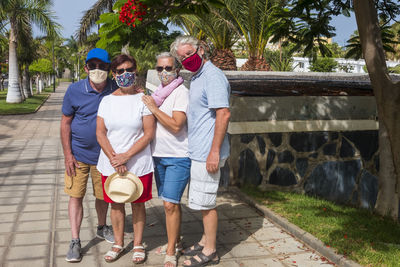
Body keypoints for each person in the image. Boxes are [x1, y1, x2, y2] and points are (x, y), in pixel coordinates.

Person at [170, 36, 231, 267]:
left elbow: (223, 114)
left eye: (189, 53)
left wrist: (214, 152)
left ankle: (211, 251)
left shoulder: (213, 76)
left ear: (201, 49)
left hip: (208, 152)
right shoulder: (197, 77)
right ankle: (205, 240)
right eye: (182, 57)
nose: (186, 59)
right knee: (201, 199)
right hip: (198, 150)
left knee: (206, 203)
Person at [96, 54, 155, 264]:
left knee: (138, 204)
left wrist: (126, 156)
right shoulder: (107, 101)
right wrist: (114, 158)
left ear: (136, 71)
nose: (125, 74)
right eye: (120, 71)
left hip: (138, 164)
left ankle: (138, 244)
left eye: (129, 70)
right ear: (114, 74)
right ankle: (118, 243)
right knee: (116, 204)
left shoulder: (144, 100)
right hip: (110, 163)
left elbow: (148, 133)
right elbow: (101, 133)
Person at [61, 48, 116, 262]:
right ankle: (75, 240)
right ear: (86, 68)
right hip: (79, 156)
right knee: (76, 196)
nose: (97, 70)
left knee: (103, 197)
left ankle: (102, 226)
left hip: (105, 157)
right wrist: (68, 155)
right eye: (93, 66)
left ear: (109, 68)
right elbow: (65, 123)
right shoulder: (74, 90)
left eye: (102, 66)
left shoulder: (116, 88)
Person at [142, 52, 190, 267]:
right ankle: (177, 241)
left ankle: (171, 250)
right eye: (160, 68)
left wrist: (153, 107)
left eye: (168, 68)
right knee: (169, 203)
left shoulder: (181, 93)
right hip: (159, 156)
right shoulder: (159, 93)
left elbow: (176, 125)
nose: (163, 72)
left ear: (177, 70)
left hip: (178, 156)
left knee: (170, 204)